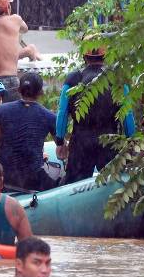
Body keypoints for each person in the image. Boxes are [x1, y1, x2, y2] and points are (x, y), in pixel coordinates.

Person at [55, 48, 135, 184]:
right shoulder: (117, 79)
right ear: (105, 57)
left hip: (81, 143)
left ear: (84, 57)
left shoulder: (73, 79)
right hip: (109, 141)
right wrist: (131, 141)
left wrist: (60, 141)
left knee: (74, 188)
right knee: (112, 185)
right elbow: (127, 115)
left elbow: (62, 113)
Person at [0, 72, 59, 191]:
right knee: (59, 184)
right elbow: (61, 150)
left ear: (19, 90)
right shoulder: (49, 116)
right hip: (34, 180)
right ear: (40, 92)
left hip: (8, 179)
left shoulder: (2, 110)